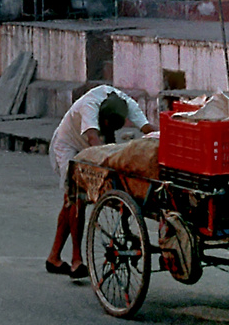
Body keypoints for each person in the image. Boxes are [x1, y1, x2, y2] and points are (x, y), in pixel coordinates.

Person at [45, 85, 153, 279]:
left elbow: (148, 129)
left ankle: (54, 257)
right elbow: (94, 141)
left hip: (96, 144)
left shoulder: (127, 104)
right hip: (69, 146)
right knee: (76, 199)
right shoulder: (90, 106)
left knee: (68, 202)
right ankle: (77, 259)